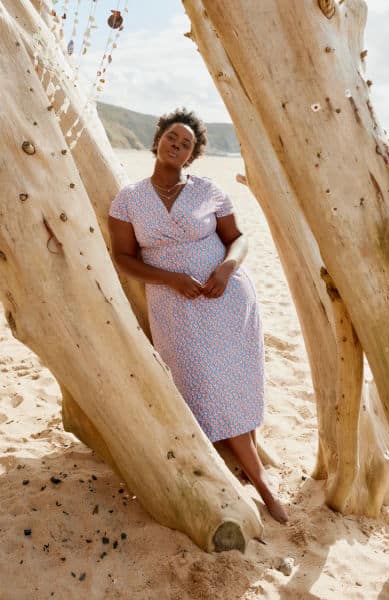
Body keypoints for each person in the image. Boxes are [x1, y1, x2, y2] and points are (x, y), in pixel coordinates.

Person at [108, 108, 288, 524]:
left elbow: (237, 239)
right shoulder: (129, 199)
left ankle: (258, 479)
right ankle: (254, 476)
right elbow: (123, 258)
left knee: (235, 382)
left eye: (186, 143)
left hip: (226, 299)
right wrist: (170, 279)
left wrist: (226, 270)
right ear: (158, 140)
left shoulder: (209, 191)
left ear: (192, 155)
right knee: (203, 385)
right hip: (176, 308)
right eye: (173, 137)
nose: (178, 145)